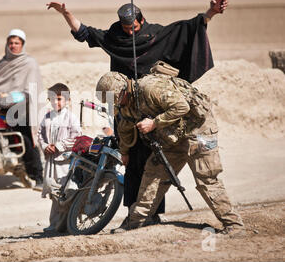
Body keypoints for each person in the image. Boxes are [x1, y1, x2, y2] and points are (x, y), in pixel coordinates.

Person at [47, 0, 229, 219]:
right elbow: (84, 32)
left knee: (154, 161)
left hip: (154, 108)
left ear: (141, 21)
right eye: (126, 28)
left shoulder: (155, 35)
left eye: (133, 27)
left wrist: (210, 13)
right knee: (130, 159)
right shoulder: (114, 38)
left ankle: (153, 214)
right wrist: (65, 13)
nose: (130, 33)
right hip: (125, 108)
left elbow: (187, 28)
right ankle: (133, 213)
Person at [95, 61, 245, 236]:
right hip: (173, 137)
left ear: (122, 90)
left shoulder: (150, 88)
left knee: (207, 179)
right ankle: (138, 220)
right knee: (153, 174)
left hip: (198, 130)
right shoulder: (126, 104)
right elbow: (125, 128)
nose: (116, 104)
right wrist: (125, 152)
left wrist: (154, 123)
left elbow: (182, 106)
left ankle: (233, 224)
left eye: (115, 99)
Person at [0, 29, 44, 189]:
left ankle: (38, 177)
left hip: (23, 107)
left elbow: (31, 88)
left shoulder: (29, 62)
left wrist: (12, 96)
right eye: (11, 43)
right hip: (1, 106)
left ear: (22, 45)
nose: (13, 46)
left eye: (17, 43)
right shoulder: (3, 62)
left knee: (26, 139)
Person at [37, 83, 81, 232]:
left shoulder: (71, 118)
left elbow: (76, 137)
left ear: (67, 100)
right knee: (53, 192)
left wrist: (59, 146)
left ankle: (67, 224)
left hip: (65, 161)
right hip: (51, 162)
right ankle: (54, 224)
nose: (56, 102)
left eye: (60, 99)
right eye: (52, 99)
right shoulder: (47, 117)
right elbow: (40, 135)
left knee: (65, 192)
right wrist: (45, 146)